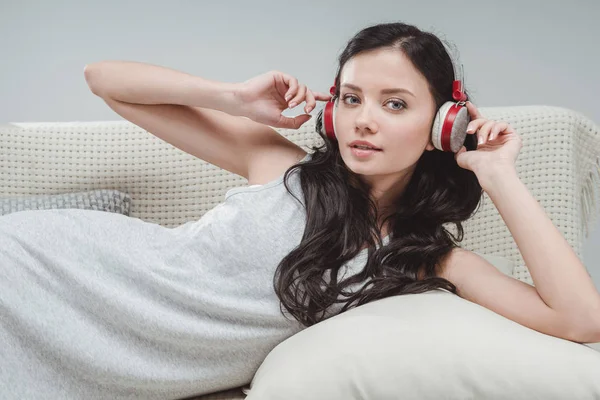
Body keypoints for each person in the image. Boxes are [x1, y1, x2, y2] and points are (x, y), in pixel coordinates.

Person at [2, 21, 599, 399]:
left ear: (444, 125)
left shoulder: (428, 261)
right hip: (36, 267)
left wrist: (498, 174)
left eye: (395, 103)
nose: (364, 118)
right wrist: (232, 98)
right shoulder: (282, 168)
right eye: (350, 98)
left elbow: (581, 322)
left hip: (96, 351)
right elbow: (104, 79)